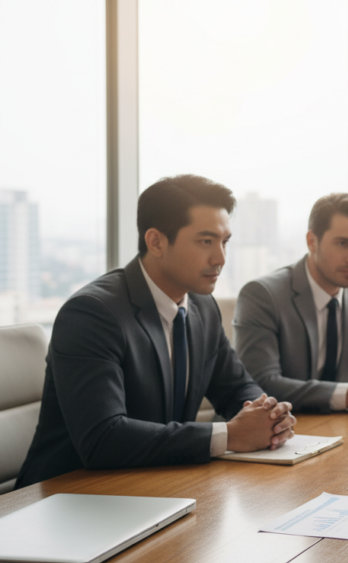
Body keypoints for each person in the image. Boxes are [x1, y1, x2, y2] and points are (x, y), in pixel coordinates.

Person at [17, 175, 296, 488]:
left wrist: (268, 417)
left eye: (224, 241)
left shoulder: (202, 307)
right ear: (156, 242)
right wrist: (230, 435)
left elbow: (234, 387)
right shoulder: (91, 314)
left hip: (159, 483)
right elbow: (103, 438)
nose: (220, 258)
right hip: (70, 497)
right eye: (206, 241)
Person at [234, 193, 348, 413]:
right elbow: (263, 384)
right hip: (275, 433)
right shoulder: (263, 295)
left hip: (339, 428)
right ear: (312, 241)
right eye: (343, 243)